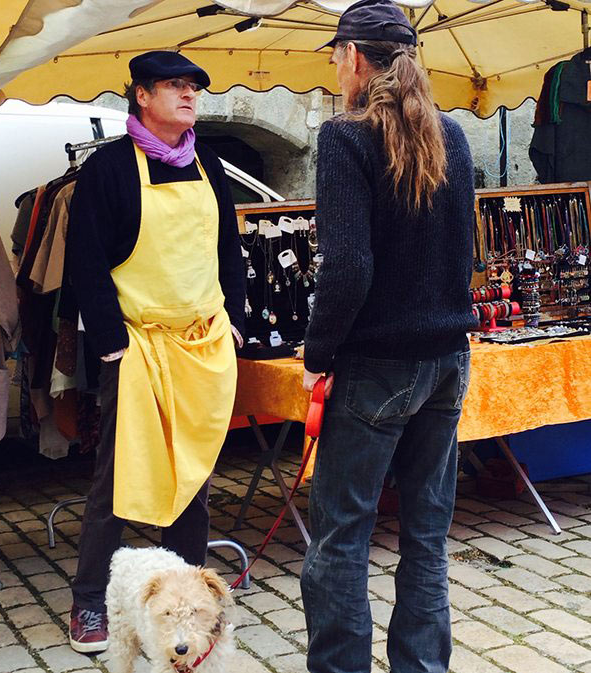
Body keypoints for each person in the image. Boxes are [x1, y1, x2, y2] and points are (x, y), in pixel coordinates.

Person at [300, 1, 477, 672]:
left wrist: (318, 355)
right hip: (446, 361)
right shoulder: (454, 136)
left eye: (334, 58)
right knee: (426, 538)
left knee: (341, 540)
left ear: (352, 57)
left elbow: (346, 268)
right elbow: (460, 253)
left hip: (378, 364)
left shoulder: (345, 136)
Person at [65, 51, 245, 653]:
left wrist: (236, 320)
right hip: (138, 344)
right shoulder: (109, 169)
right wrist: (111, 341)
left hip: (201, 341)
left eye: (195, 85)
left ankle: (190, 598)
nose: (190, 94)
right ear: (141, 95)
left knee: (192, 474)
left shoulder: (208, 160)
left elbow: (228, 249)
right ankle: (91, 600)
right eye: (175, 85)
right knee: (119, 477)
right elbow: (85, 261)